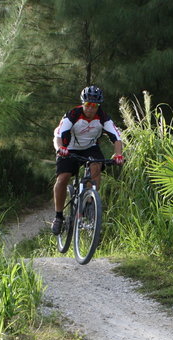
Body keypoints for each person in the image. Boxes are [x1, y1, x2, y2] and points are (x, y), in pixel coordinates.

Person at [51, 85, 124, 235]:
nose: (91, 108)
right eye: (88, 105)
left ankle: (90, 204)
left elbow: (116, 137)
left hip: (90, 147)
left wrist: (118, 155)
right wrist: (60, 148)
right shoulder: (72, 115)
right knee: (63, 178)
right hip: (68, 147)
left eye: (95, 105)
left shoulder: (103, 117)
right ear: (83, 103)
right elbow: (59, 134)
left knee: (96, 166)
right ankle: (58, 216)